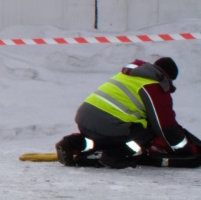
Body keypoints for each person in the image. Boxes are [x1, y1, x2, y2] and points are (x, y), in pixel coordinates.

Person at [57, 57, 197, 168]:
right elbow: (164, 126)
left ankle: (72, 143)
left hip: (84, 120)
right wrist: (185, 151)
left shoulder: (129, 76)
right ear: (168, 77)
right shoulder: (154, 87)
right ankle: (115, 156)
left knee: (104, 138)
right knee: (148, 130)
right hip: (109, 126)